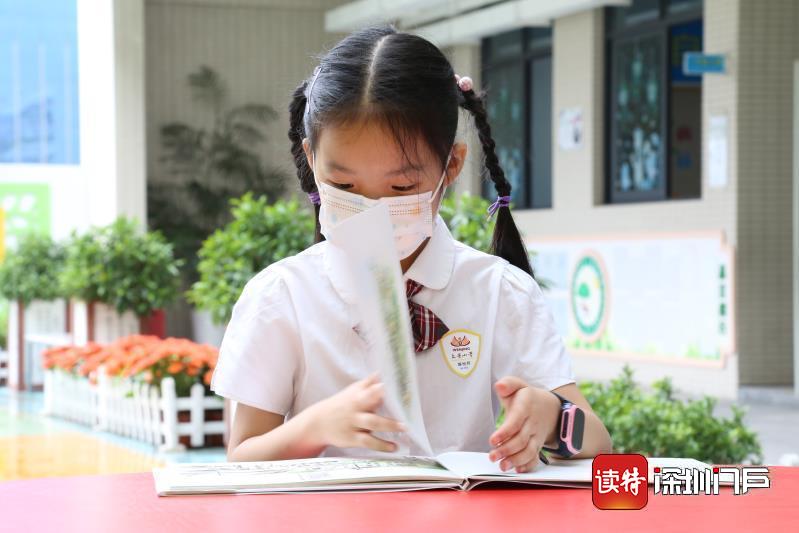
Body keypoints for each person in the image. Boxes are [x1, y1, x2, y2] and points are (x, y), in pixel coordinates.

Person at [211, 24, 612, 473]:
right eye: (344, 186)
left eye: (401, 187)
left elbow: (597, 441)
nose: (372, 210)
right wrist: (315, 427)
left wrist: (552, 417)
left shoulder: (498, 291)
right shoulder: (281, 296)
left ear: (452, 166)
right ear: (310, 159)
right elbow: (242, 454)